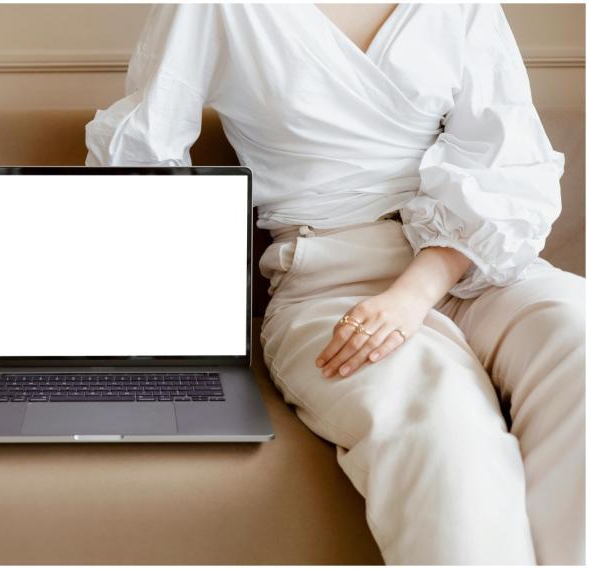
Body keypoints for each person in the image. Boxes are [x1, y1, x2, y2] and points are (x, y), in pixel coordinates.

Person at [84, 3, 585, 564]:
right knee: (444, 427)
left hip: (471, 261)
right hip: (328, 277)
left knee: (579, 337)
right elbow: (141, 157)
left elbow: (506, 162)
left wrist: (412, 294)